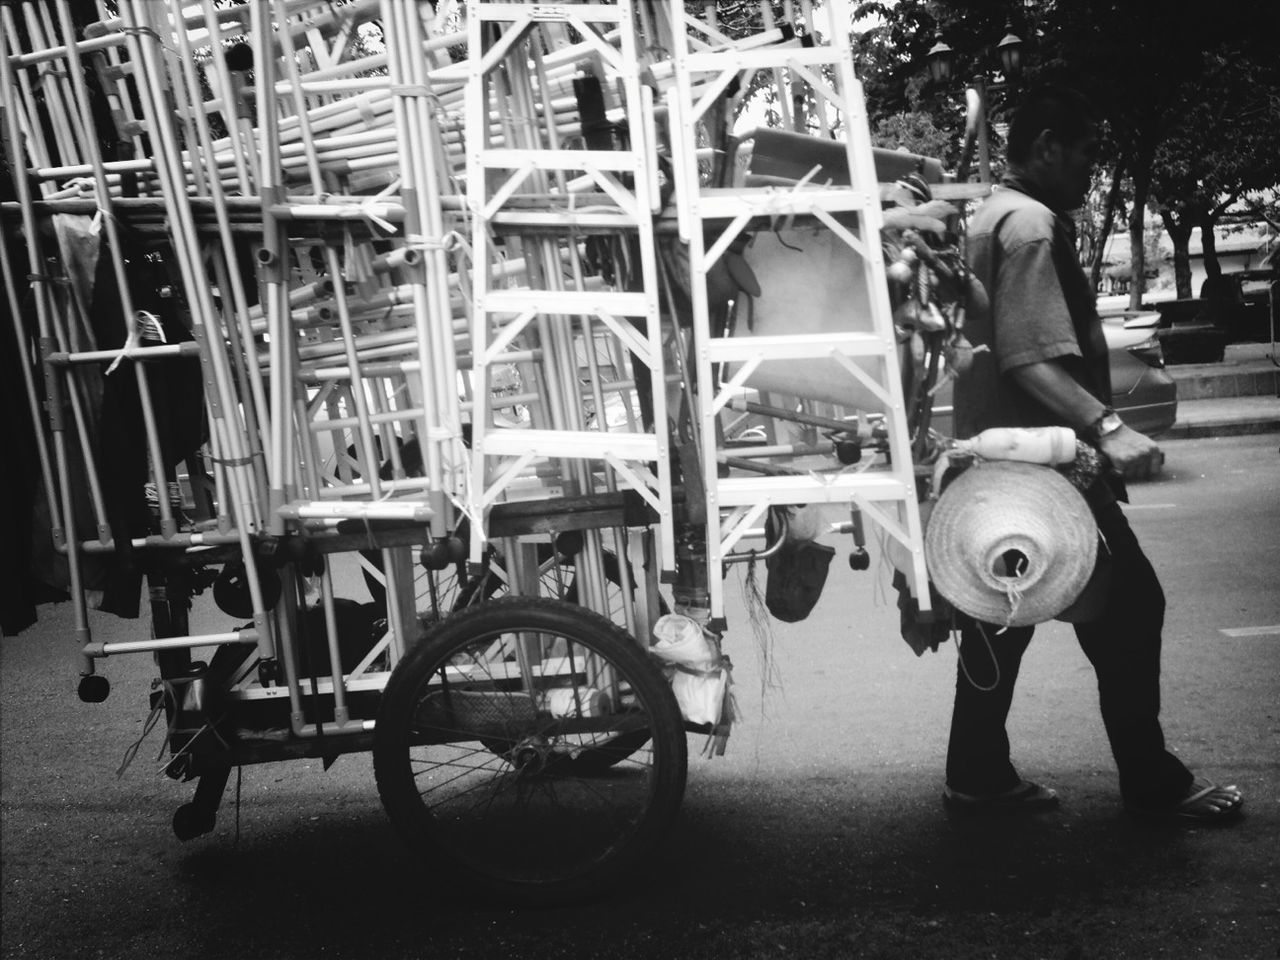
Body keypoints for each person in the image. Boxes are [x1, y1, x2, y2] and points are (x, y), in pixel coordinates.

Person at [943, 85, 1243, 821]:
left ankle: (976, 775)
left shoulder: (986, 214)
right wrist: (1108, 427)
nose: (1087, 168)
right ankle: (1151, 782)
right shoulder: (1033, 225)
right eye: (1083, 153)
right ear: (1046, 145)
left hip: (995, 465)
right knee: (1134, 607)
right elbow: (1028, 357)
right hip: (1053, 468)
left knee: (1000, 618)